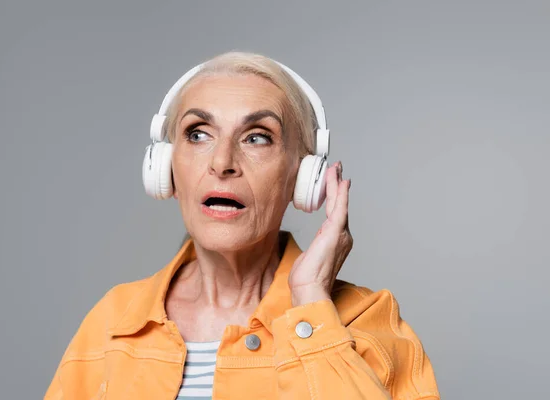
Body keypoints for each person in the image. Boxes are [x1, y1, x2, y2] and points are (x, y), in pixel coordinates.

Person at [44, 52, 440, 400]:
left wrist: (311, 310)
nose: (222, 162)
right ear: (165, 168)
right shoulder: (113, 321)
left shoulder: (366, 321)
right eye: (198, 134)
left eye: (257, 138)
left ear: (303, 179)